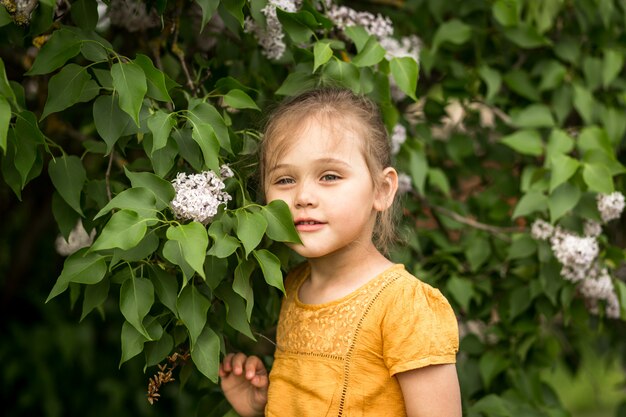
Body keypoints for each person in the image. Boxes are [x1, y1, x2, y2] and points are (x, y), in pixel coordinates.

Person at [219, 87, 461, 417]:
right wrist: (260, 409)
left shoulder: (405, 307)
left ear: (382, 189)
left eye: (329, 176)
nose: (303, 196)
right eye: (285, 179)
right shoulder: (295, 285)